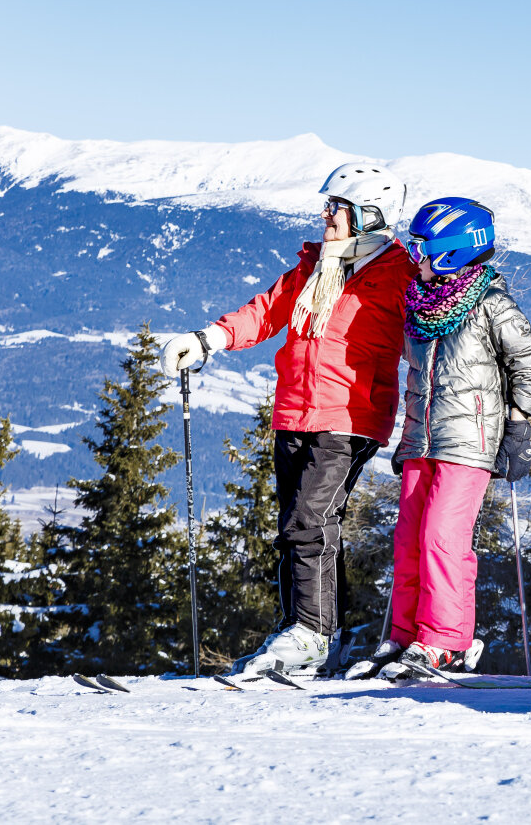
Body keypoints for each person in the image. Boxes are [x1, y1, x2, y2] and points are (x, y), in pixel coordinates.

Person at [160, 162, 414, 676]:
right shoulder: (314, 267)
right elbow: (267, 310)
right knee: (302, 527)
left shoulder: (397, 275)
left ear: (370, 215)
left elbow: (428, 334)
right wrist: (207, 339)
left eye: (337, 209)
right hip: (294, 411)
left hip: (348, 415)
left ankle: (311, 636)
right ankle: (319, 634)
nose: (327, 216)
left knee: (309, 522)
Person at [347, 197, 531, 679]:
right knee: (410, 538)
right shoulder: (420, 302)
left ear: (451, 252)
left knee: (442, 537)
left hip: (470, 439)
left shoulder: (491, 303)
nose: (413, 254)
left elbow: (530, 359)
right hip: (421, 439)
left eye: (422, 246)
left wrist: (519, 424)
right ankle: (403, 637)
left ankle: (445, 641)